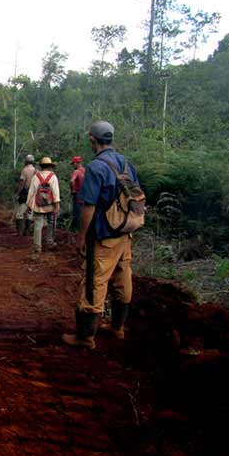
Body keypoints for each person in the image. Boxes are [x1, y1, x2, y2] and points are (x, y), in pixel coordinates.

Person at [63, 121, 139, 349]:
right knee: (122, 278)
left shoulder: (96, 167)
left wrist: (81, 237)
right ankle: (117, 328)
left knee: (94, 282)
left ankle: (85, 337)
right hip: (125, 233)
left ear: (92, 140)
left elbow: (88, 207)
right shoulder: (126, 163)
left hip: (104, 237)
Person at [26, 157, 60, 258]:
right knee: (51, 223)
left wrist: (29, 205)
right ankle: (49, 242)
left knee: (38, 225)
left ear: (41, 166)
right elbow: (55, 192)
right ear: (50, 166)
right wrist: (57, 205)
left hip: (38, 205)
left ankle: (37, 248)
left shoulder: (36, 176)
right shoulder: (53, 176)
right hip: (50, 205)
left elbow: (31, 192)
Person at [15, 155, 37, 236]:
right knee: (29, 214)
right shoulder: (35, 170)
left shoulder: (25, 170)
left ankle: (19, 233)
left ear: (26, 161)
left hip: (25, 194)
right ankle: (27, 232)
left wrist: (17, 194)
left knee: (19, 214)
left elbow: (22, 184)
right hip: (33, 194)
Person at [70, 156, 86, 231]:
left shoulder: (76, 171)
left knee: (77, 213)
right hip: (85, 194)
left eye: (73, 163)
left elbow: (72, 181)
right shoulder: (85, 170)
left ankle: (77, 231)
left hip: (77, 194)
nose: (73, 165)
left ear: (76, 163)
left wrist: (72, 190)